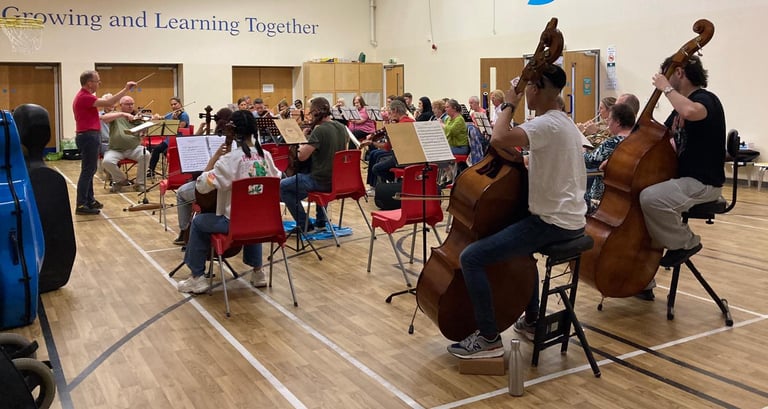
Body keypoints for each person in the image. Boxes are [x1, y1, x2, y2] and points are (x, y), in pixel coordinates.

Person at [447, 64, 587, 358]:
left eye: (528, 88)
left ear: (535, 89)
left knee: (471, 257)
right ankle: (532, 319)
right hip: (573, 218)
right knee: (519, 246)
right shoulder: (565, 122)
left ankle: (488, 338)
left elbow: (498, 138)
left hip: (551, 223)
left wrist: (510, 102)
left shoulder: (545, 124)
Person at [638, 55, 725, 296]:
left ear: (679, 73)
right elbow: (659, 137)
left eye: (668, 73)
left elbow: (690, 111)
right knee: (642, 199)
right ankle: (643, 279)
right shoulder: (678, 109)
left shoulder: (705, 99)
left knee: (651, 198)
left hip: (703, 183)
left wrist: (665, 88)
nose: (665, 78)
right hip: (685, 180)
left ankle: (687, 242)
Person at [177, 109, 282, 294]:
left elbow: (202, 185)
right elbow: (277, 179)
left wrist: (214, 159)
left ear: (233, 130)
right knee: (253, 212)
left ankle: (197, 277)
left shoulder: (230, 160)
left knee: (199, 222)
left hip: (235, 224)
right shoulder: (266, 155)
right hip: (266, 223)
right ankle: (258, 272)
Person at [280, 97, 348, 233]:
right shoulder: (342, 128)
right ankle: (321, 221)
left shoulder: (320, 130)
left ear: (316, 112)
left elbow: (301, 156)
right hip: (337, 181)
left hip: (320, 181)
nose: (310, 117)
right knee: (311, 175)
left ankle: (304, 224)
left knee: (283, 186)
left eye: (311, 113)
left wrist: (301, 139)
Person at [72, 70, 136, 214]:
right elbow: (109, 102)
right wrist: (126, 89)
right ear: (90, 83)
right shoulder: (85, 97)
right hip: (88, 136)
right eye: (97, 81)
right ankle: (81, 204)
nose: (99, 84)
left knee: (90, 170)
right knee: (88, 171)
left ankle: (89, 200)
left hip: (89, 136)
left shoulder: (85, 97)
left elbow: (106, 108)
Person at [173, 107, 234, 245]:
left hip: (214, 188)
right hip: (232, 197)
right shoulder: (237, 143)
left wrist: (214, 157)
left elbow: (203, 179)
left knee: (181, 193)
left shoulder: (219, 143)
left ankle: (184, 231)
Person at [584, 103, 636, 213]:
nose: (607, 122)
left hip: (604, 195)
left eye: (610, 119)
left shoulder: (613, 142)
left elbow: (589, 161)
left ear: (618, 122)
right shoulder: (637, 140)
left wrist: (582, 148)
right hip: (626, 193)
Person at [100, 95, 150, 193]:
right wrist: (123, 114)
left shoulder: (137, 117)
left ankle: (140, 184)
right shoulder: (116, 114)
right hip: (115, 149)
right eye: (127, 104)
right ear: (121, 105)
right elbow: (104, 119)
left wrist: (143, 130)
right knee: (107, 162)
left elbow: (143, 131)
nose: (130, 106)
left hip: (133, 148)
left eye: (132, 104)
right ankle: (120, 180)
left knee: (146, 154)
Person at [365, 100, 413, 189]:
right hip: (414, 158)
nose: (389, 114)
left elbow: (387, 147)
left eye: (390, 112)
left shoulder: (398, 126)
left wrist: (372, 143)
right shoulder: (412, 121)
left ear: (395, 110)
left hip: (400, 159)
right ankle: (399, 183)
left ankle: (397, 185)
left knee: (376, 168)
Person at [147, 97, 190, 178]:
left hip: (178, 140)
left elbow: (180, 128)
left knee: (166, 151)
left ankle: (175, 172)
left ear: (180, 104)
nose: (173, 106)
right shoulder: (171, 114)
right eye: (172, 105)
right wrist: (157, 117)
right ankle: (151, 170)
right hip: (169, 140)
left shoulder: (184, 115)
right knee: (156, 149)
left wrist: (175, 119)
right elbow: (162, 118)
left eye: (175, 104)